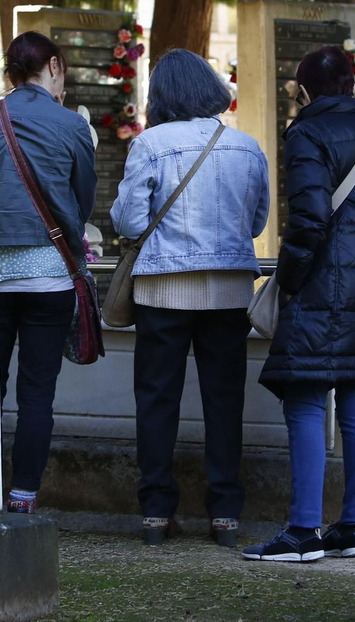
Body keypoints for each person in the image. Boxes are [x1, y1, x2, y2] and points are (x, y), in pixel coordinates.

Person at [245, 46, 355, 563]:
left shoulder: (307, 135)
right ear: (352, 86)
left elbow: (309, 220)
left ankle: (303, 532)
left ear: (304, 90)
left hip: (318, 289)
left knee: (303, 399)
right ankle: (352, 529)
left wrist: (294, 280)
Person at [111, 49, 269, 548]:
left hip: (163, 289)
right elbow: (258, 221)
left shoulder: (150, 145)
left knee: (157, 400)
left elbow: (130, 222)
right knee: (224, 402)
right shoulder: (247, 146)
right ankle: (225, 513)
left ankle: (156, 512)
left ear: (161, 96)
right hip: (228, 290)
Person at [0, 32, 97, 515]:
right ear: (53, 66)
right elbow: (83, 198)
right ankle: (23, 495)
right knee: (38, 391)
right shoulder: (71, 124)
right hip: (47, 274)